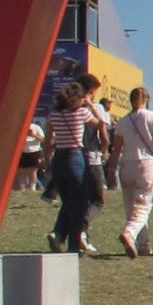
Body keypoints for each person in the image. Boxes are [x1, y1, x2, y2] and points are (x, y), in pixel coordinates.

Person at [113, 85, 153, 257]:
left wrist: (110, 168)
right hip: (146, 164)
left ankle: (143, 245)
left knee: (131, 207)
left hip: (126, 165)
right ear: (147, 100)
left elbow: (116, 149)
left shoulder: (122, 121)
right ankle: (130, 233)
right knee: (143, 206)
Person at [44, 80, 97, 256]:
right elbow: (102, 122)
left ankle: (58, 233)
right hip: (75, 157)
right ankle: (73, 245)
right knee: (79, 205)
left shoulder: (54, 115)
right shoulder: (81, 113)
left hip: (59, 157)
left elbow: (47, 140)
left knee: (68, 201)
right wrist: (90, 104)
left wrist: (47, 161)